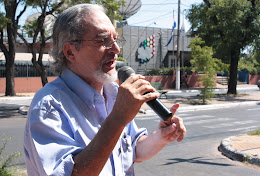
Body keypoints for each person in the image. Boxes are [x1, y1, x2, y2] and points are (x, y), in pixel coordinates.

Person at [24, 4, 186, 176]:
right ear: (70, 51)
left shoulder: (115, 93)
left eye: (116, 40)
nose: (116, 50)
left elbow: (133, 150)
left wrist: (161, 135)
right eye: (102, 41)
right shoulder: (49, 106)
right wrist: (117, 119)